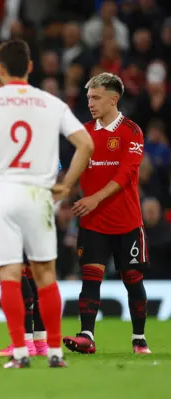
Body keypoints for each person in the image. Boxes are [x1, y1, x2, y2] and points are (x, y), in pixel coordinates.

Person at [0, 39, 94, 368]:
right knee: (45, 274)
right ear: (30, 67)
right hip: (38, 195)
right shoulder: (50, 102)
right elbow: (84, 144)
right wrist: (66, 185)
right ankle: (55, 352)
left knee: (10, 275)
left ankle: (19, 352)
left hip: (1, 194)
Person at [63, 72, 152, 355]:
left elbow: (126, 174)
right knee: (90, 279)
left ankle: (139, 338)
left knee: (132, 280)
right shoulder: (85, 132)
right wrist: (63, 190)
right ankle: (86, 336)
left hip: (126, 221)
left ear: (114, 99)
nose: (90, 103)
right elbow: (74, 169)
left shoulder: (132, 131)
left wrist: (94, 198)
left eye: (96, 98)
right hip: (93, 221)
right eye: (89, 97)